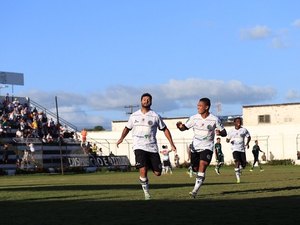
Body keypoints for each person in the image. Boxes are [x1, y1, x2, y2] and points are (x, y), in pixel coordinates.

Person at [117, 93, 176, 200]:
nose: (146, 101)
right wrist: (121, 138)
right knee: (143, 170)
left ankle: (148, 164)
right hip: (139, 146)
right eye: (144, 99)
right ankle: (146, 193)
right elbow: (127, 128)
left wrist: (171, 143)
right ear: (141, 101)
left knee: (158, 173)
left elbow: (165, 129)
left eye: (148, 99)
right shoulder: (134, 116)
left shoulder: (155, 116)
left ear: (151, 102)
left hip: (152, 147)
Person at [176, 97, 227, 198]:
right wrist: (179, 126)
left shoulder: (214, 119)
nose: (198, 107)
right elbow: (184, 128)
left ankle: (195, 191)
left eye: (200, 106)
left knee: (202, 165)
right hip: (195, 148)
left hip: (207, 147)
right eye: (197, 105)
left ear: (206, 107)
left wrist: (220, 133)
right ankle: (197, 176)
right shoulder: (194, 118)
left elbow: (224, 132)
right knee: (195, 168)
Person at [226, 117, 251, 183]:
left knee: (244, 164)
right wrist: (228, 140)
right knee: (237, 161)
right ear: (235, 123)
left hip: (242, 149)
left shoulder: (244, 130)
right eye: (237, 121)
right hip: (235, 149)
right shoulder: (231, 131)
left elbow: (249, 137)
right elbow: (227, 139)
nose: (239, 123)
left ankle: (240, 169)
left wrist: (247, 143)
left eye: (240, 121)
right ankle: (238, 178)